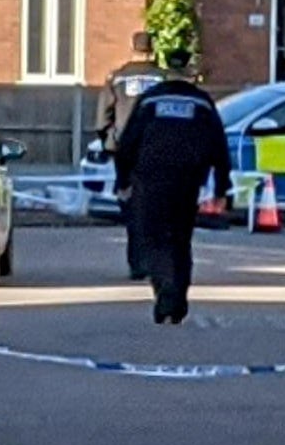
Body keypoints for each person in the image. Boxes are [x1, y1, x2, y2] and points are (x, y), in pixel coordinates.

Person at [113, 50, 231, 325]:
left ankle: (166, 294)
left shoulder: (150, 101)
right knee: (179, 240)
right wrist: (221, 189)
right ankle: (177, 296)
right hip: (187, 182)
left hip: (150, 181)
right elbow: (219, 148)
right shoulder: (201, 103)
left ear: (167, 72)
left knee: (154, 239)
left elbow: (128, 143)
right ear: (190, 73)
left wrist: (123, 181)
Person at [95, 34, 178, 280]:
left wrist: (110, 142)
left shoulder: (117, 77)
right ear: (152, 50)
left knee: (133, 206)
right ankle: (157, 259)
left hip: (127, 151)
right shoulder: (163, 78)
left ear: (132, 48)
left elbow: (103, 118)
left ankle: (137, 263)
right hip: (159, 149)